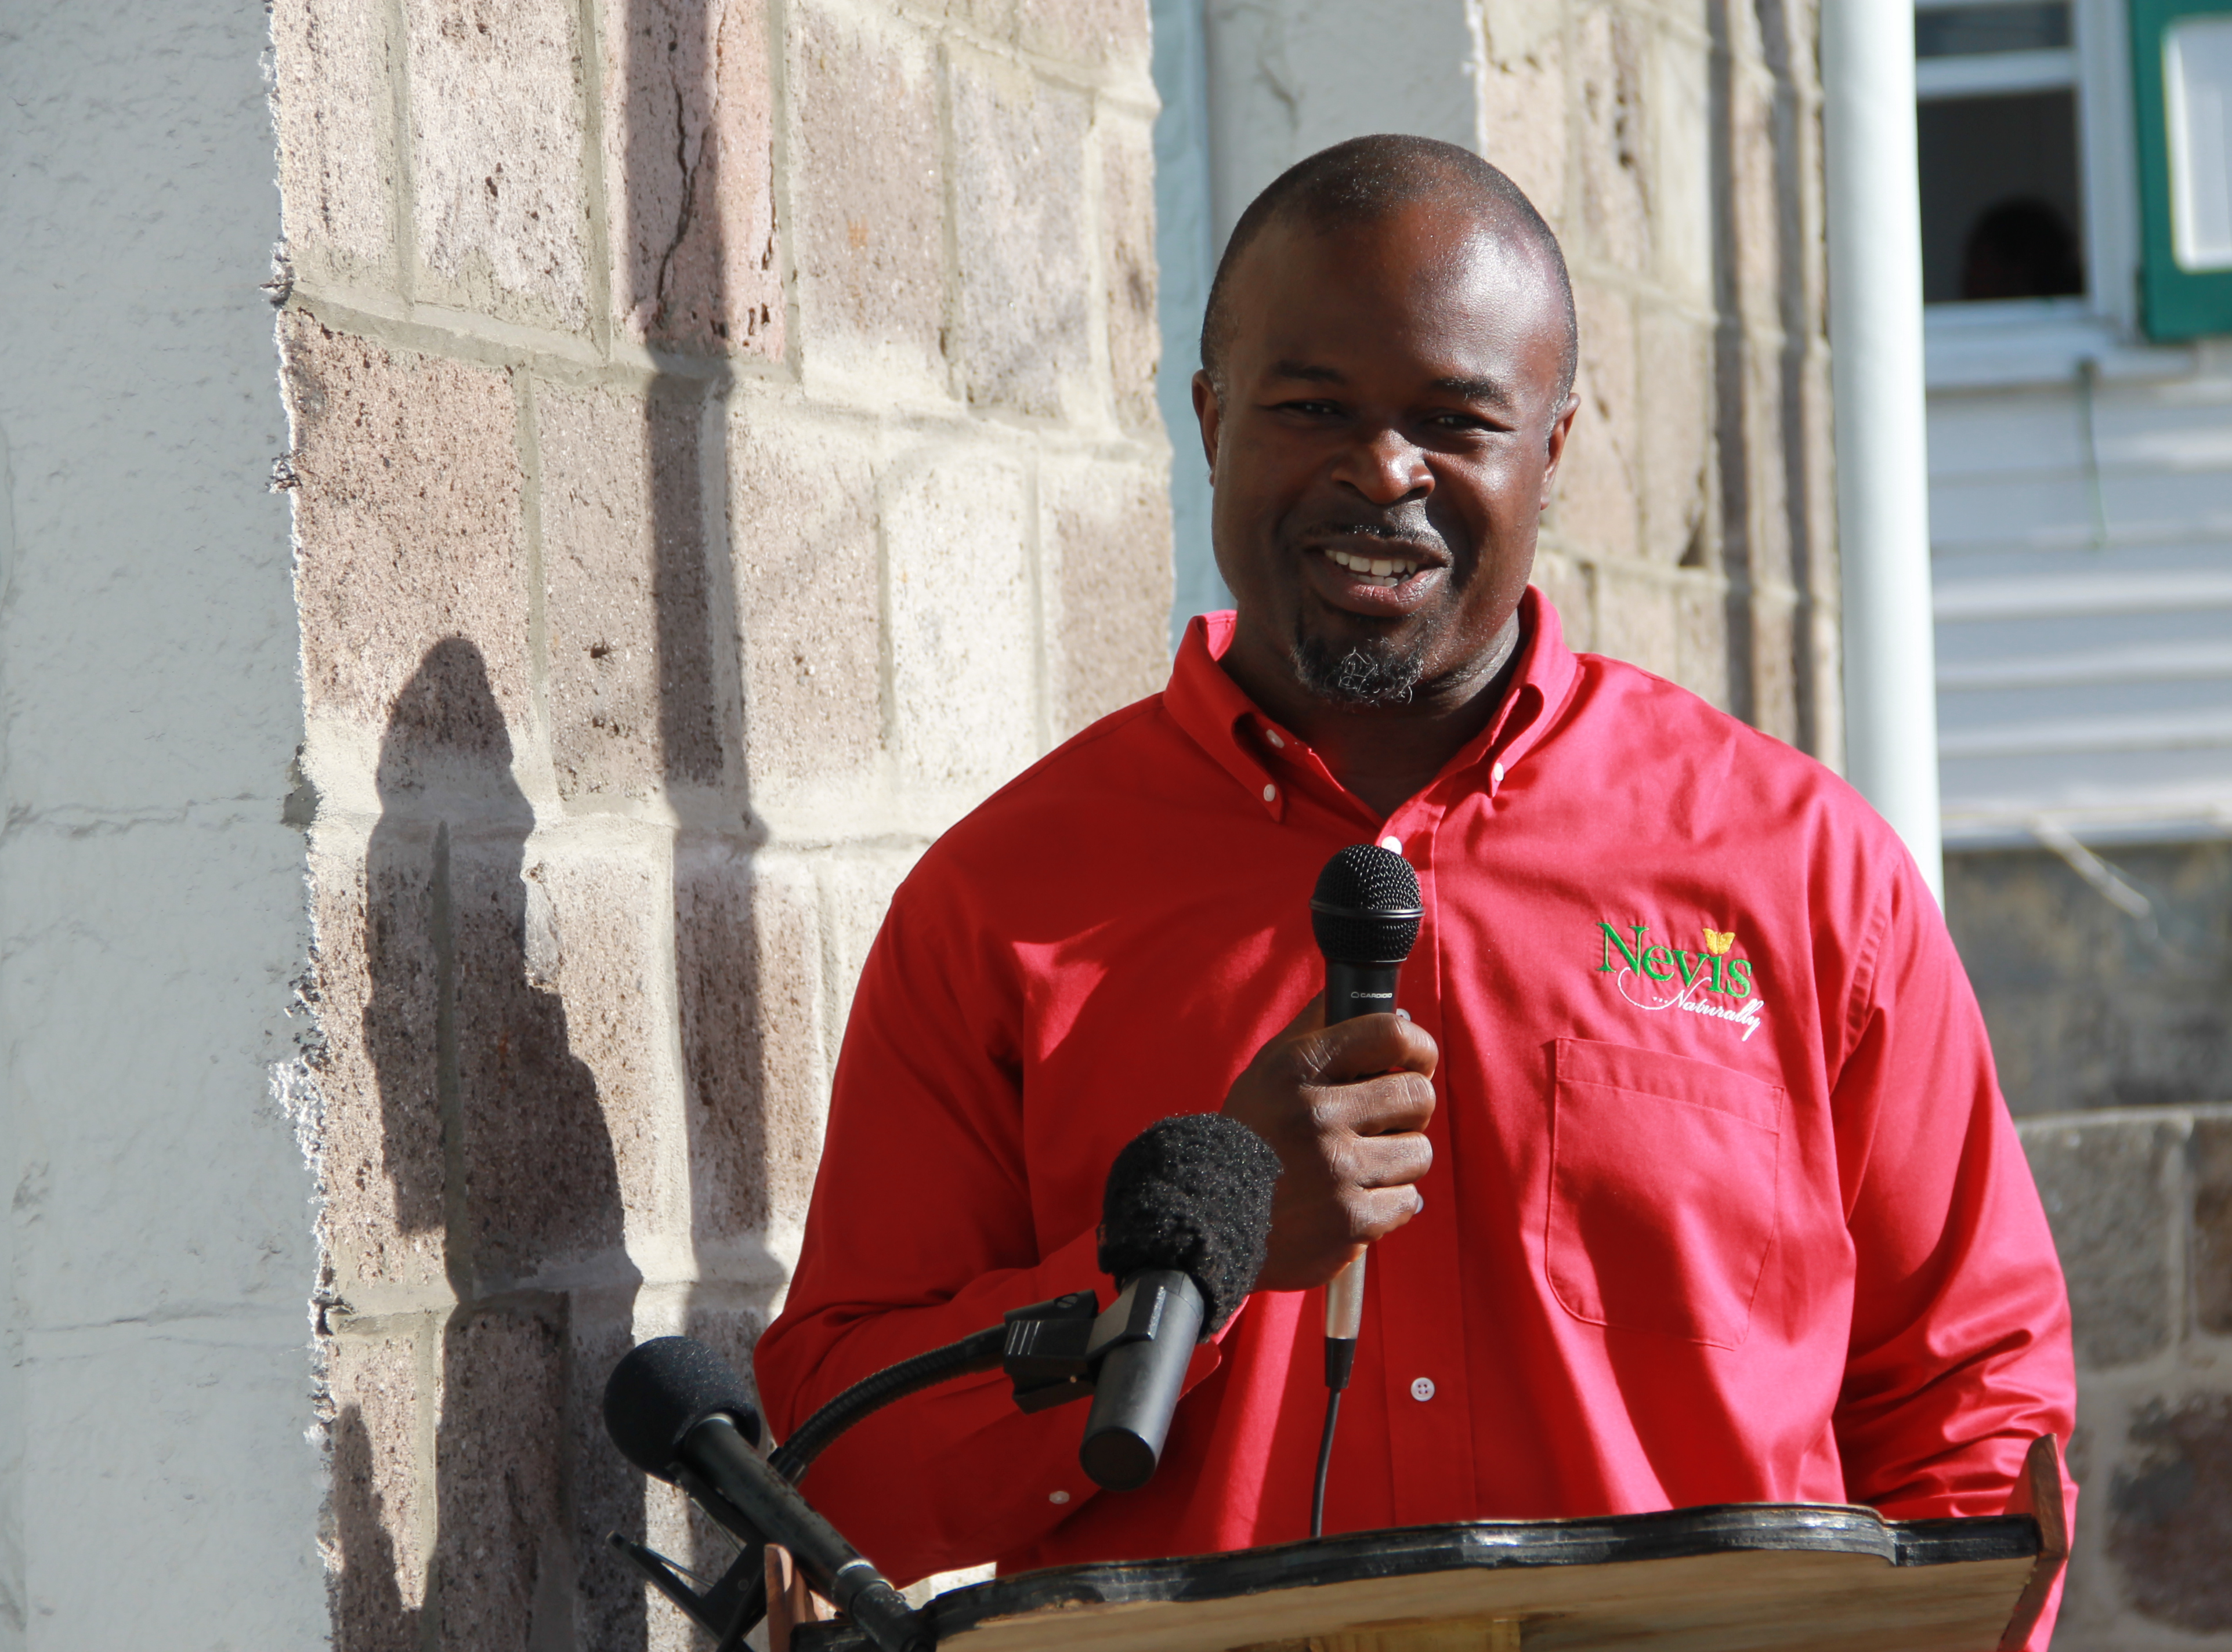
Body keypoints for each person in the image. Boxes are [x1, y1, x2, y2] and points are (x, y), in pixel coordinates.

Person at [755, 133, 2073, 1625]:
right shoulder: (1005, 903)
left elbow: (1975, 1396)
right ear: (1209, 419)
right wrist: (1184, 1281)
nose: (1383, 472)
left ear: (1553, 450)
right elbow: (835, 1459)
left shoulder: (1796, 865)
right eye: (1314, 406)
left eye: (1455, 419)